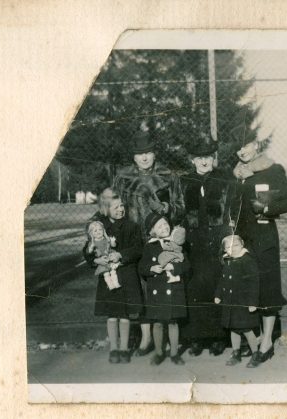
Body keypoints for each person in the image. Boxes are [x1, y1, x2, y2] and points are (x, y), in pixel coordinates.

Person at [114, 128, 185, 356]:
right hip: (134, 240)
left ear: (154, 154)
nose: (144, 157)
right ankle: (146, 339)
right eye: (139, 153)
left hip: (160, 241)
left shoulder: (168, 176)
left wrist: (164, 208)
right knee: (139, 288)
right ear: (133, 156)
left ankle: (166, 339)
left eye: (148, 152)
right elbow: (113, 208)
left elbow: (180, 208)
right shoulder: (123, 178)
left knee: (162, 286)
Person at [230, 137, 287, 364]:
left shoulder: (273, 169)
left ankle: (266, 342)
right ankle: (253, 340)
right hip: (242, 241)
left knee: (267, 288)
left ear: (256, 146)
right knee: (248, 289)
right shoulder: (237, 173)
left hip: (265, 238)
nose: (241, 151)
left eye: (245, 145)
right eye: (238, 147)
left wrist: (266, 208)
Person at [179, 135, 233, 356]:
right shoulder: (183, 181)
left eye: (208, 157)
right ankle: (196, 338)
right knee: (194, 287)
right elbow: (177, 210)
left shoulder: (223, 180)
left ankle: (218, 336)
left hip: (216, 239)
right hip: (193, 241)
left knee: (215, 286)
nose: (203, 162)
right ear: (192, 160)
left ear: (213, 158)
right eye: (199, 158)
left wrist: (227, 236)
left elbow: (230, 210)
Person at [82, 196, 143, 364]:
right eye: (115, 207)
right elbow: (87, 250)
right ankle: (114, 349)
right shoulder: (100, 228)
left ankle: (124, 349)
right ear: (107, 210)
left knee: (124, 314)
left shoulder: (132, 227)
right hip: (107, 275)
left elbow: (138, 248)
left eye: (122, 206)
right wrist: (95, 260)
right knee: (111, 314)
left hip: (127, 274)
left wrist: (121, 254)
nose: (120, 210)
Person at [138, 213, 188, 366]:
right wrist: (152, 268)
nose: (164, 227)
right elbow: (141, 267)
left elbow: (187, 265)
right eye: (160, 226)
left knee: (173, 322)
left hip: (173, 288)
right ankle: (159, 352)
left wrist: (174, 266)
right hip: (157, 289)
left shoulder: (176, 243)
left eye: (166, 224)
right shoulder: (149, 246)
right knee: (158, 323)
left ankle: (174, 353)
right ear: (152, 230)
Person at [215, 235, 261, 368]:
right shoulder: (228, 260)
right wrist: (218, 294)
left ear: (242, 244)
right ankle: (236, 353)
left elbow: (254, 283)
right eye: (228, 246)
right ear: (224, 250)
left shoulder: (247, 260)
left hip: (243, 302)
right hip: (230, 302)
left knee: (246, 329)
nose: (233, 248)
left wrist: (253, 302)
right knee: (233, 328)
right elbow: (223, 280)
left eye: (235, 245)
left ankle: (255, 353)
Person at [86, 220, 121, 290]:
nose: (98, 232)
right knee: (106, 273)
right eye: (95, 231)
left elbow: (113, 246)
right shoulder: (93, 243)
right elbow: (88, 252)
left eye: (100, 229)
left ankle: (116, 283)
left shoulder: (106, 239)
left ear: (103, 230)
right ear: (91, 233)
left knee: (113, 271)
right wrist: (91, 247)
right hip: (102, 259)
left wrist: (113, 241)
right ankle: (111, 285)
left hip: (110, 256)